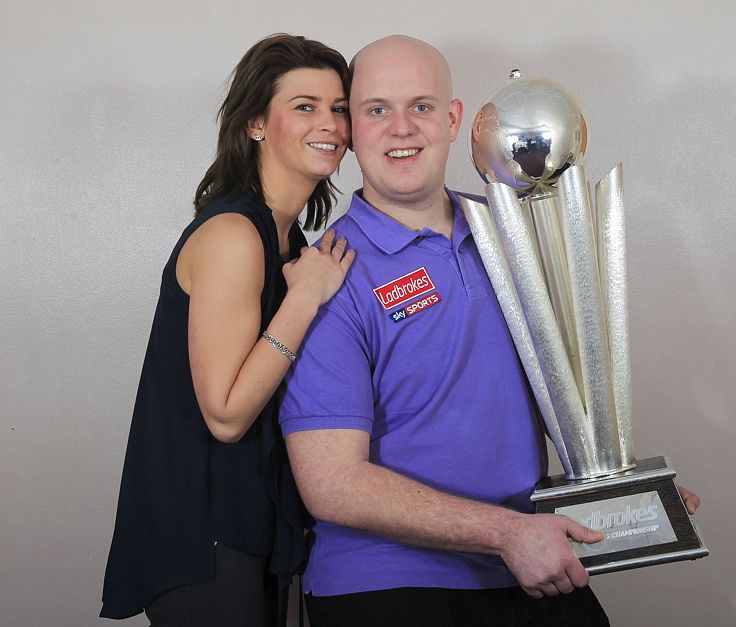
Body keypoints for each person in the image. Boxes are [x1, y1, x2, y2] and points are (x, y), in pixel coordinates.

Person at [279, 35, 699, 627]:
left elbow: (571, 378)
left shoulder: (515, 235)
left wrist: (620, 493)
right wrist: (505, 533)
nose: (401, 128)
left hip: (529, 560)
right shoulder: (329, 275)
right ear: (352, 128)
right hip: (388, 583)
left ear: (454, 121)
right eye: (376, 110)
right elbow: (332, 483)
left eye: (421, 106)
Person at [100, 34, 354, 627]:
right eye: (305, 106)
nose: (331, 124)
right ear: (256, 124)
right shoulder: (235, 236)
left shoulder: (289, 241)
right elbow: (226, 413)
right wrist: (306, 298)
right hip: (203, 538)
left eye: (339, 107)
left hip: (255, 524)